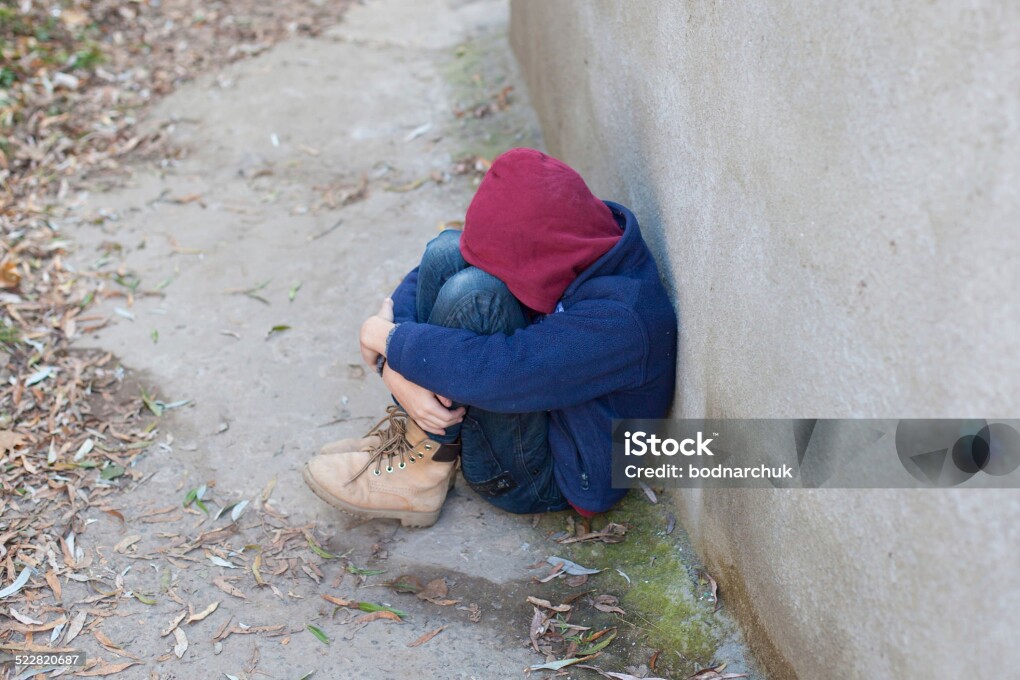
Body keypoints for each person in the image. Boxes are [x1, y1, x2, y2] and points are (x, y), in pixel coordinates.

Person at [303, 148, 677, 527]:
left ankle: (424, 471)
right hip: (539, 402)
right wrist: (395, 365)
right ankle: (419, 432)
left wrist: (389, 341)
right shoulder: (578, 235)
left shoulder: (619, 321)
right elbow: (448, 261)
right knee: (448, 251)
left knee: (473, 295)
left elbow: (502, 372)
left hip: (555, 475)